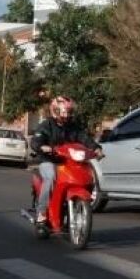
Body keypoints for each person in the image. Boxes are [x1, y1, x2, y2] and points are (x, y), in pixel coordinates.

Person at [30, 96, 102, 225]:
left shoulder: (73, 127)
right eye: (64, 111)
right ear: (55, 111)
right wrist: (42, 146)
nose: (67, 115)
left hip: (69, 162)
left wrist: (96, 148)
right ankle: (42, 212)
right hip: (50, 160)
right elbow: (36, 140)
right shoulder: (46, 125)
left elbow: (84, 138)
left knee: (87, 174)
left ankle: (79, 204)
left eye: (69, 112)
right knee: (51, 177)